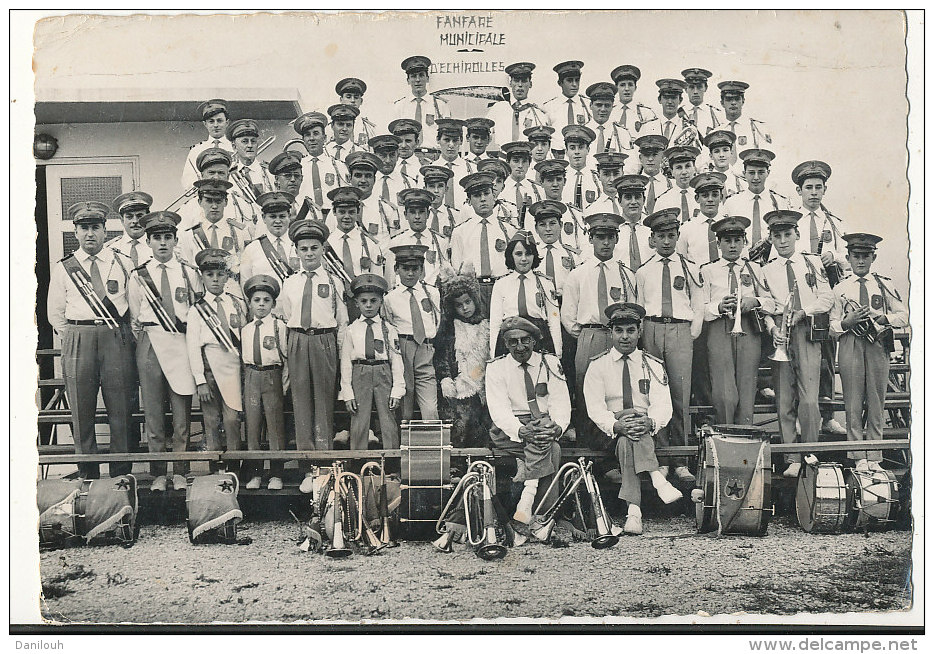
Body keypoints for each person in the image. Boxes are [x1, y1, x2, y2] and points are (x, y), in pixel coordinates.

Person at [47, 201, 136, 479]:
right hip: (79, 337)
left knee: (120, 408)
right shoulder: (64, 268)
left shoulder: (122, 262)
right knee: (82, 410)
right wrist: (78, 335)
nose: (90, 234)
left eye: (95, 228)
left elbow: (133, 306)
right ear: (75, 232)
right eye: (84, 228)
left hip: (114, 338)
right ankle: (88, 475)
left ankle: (121, 474)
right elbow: (55, 314)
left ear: (105, 230)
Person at [583, 302, 682, 535]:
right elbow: (595, 408)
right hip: (609, 432)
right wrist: (617, 424)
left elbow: (663, 406)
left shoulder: (653, 365)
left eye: (630, 330)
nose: (625, 337)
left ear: (640, 332)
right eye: (619, 331)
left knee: (630, 440)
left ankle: (633, 513)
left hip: (643, 431)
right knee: (627, 433)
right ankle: (658, 479)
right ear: (611, 333)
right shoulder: (598, 365)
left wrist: (649, 422)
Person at [127, 210, 199, 491]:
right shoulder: (138, 276)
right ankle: (158, 472)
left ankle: (180, 470)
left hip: (180, 342)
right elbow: (135, 316)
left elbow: (194, 311)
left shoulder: (188, 273)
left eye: (168, 237)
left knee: (181, 411)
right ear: (149, 242)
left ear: (175, 240)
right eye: (157, 237)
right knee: (154, 412)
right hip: (151, 341)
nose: (163, 243)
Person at [759, 210, 834, 478]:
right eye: (776, 236)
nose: (782, 241)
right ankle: (791, 456)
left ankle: (810, 453)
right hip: (781, 331)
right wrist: (771, 329)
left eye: (787, 234)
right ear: (771, 238)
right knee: (784, 400)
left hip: (807, 330)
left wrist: (806, 311)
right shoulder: (765, 270)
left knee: (809, 399)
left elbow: (827, 298)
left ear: (797, 235)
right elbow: (765, 305)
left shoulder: (812, 263)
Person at [635, 207, 705, 483]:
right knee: (655, 395)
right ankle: (661, 458)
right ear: (652, 239)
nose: (666, 241)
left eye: (671, 235)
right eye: (661, 236)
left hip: (679, 330)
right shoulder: (643, 271)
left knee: (679, 394)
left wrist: (692, 332)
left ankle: (681, 460)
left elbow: (698, 303)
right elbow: (640, 306)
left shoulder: (689, 267)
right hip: (652, 329)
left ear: (677, 237)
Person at [278, 219, 349, 492]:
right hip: (297, 340)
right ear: (296, 250)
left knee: (323, 404)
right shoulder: (290, 283)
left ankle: (324, 467)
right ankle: (307, 468)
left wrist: (339, 357)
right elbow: (285, 315)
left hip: (324, 341)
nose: (309, 253)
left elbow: (341, 321)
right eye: (304, 248)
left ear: (323, 249)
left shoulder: (333, 282)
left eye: (314, 248)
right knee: (301, 404)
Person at [830, 233, 908, 472]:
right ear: (848, 258)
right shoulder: (840, 288)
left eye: (865, 256)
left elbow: (904, 314)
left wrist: (885, 318)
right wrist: (847, 321)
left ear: (873, 257)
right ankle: (858, 457)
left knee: (876, 400)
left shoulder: (883, 284)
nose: (861, 261)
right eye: (856, 256)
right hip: (850, 344)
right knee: (853, 401)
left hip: (877, 345)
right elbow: (832, 326)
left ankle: (874, 456)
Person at [560, 213, 638, 446]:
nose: (605, 243)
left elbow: (633, 309)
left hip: (618, 337)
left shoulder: (626, 274)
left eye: (610, 237)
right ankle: (588, 452)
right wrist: (586, 335)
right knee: (586, 394)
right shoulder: (578, 274)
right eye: (600, 237)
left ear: (616, 240)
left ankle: (612, 452)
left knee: (615, 393)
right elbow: (568, 316)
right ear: (590, 239)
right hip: (590, 335)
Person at [485, 316, 569, 531]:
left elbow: (560, 400)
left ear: (533, 341)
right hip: (510, 430)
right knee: (551, 448)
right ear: (505, 343)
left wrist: (557, 427)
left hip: (543, 424)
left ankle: (529, 503)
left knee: (553, 444)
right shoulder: (497, 368)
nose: (520, 346)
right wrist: (522, 431)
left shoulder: (549, 363)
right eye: (513, 342)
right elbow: (499, 410)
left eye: (525, 340)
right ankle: (543, 517)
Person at [791, 160, 848, 436]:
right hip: (802, 291)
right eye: (808, 188)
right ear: (799, 191)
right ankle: (801, 414)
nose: (813, 193)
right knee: (798, 355)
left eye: (818, 188)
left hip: (826, 293)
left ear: (824, 190)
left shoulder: (833, 223)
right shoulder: (791, 221)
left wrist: (832, 256)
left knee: (826, 354)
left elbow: (846, 256)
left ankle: (827, 415)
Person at [700, 216, 775, 425]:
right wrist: (719, 306)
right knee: (724, 393)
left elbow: (771, 303)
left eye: (737, 240)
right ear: (718, 243)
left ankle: (745, 436)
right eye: (727, 241)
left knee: (746, 388)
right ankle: (726, 433)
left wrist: (754, 301)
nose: (732, 245)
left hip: (748, 329)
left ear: (744, 242)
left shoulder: (755, 269)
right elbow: (701, 309)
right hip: (719, 329)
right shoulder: (708, 270)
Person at [186, 247, 246, 475]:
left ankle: (233, 468)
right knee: (211, 421)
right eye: (210, 275)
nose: (215, 279)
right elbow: (193, 347)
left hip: (232, 368)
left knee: (232, 420)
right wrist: (200, 380)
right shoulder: (197, 310)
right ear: (202, 277)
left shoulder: (236, 304)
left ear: (227, 277)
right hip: (209, 369)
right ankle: (214, 469)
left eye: (220, 274)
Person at [339, 273, 405, 450]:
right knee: (359, 419)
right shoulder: (351, 330)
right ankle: (358, 463)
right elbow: (346, 364)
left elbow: (396, 361)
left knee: (388, 419)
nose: (368, 305)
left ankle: (391, 464)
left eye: (373, 300)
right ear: (356, 303)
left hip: (383, 372)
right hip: (360, 373)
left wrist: (397, 390)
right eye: (364, 301)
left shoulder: (389, 330)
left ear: (381, 302)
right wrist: (348, 394)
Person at [434, 265, 491, 448]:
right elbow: (442, 356)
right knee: (461, 424)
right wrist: (446, 378)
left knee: (482, 425)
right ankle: (458, 466)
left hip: (483, 381)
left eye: (468, 302)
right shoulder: (451, 328)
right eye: (459, 305)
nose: (465, 308)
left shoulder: (485, 325)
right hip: (461, 383)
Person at [240, 274, 288, 491]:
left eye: (266, 300)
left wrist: (284, 384)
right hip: (252, 376)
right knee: (253, 426)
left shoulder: (279, 327)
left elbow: (286, 358)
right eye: (256, 300)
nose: (261, 304)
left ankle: (276, 473)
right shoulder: (246, 329)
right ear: (250, 304)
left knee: (275, 425)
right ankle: (255, 473)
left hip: (272, 376)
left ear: (273, 304)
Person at [384, 243, 440, 422]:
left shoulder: (432, 293)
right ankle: (403, 444)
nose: (410, 273)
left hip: (425, 347)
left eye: (415, 268)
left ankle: (431, 445)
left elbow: (436, 321)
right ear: (396, 269)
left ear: (422, 269)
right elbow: (389, 327)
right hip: (403, 349)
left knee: (430, 407)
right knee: (405, 400)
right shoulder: (390, 298)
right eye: (405, 268)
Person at [489, 230, 562, 358]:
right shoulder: (501, 284)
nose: (523, 259)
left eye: (528, 254)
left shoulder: (545, 283)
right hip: (510, 338)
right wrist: (493, 353)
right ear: (511, 256)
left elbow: (553, 319)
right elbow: (495, 323)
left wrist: (557, 352)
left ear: (534, 256)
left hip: (538, 337)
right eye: (518, 254)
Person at [449, 172, 517, 308]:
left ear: (494, 195)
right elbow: (457, 269)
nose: (483, 199)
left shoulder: (509, 230)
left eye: (486, 193)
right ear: (469, 201)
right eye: (476, 195)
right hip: (473, 291)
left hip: (502, 288)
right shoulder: (460, 232)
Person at [326, 186, 385, 310]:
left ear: (358, 212)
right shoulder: (325, 245)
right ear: (334, 212)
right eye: (342, 212)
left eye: (351, 212)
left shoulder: (370, 245)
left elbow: (377, 280)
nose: (347, 217)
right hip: (334, 304)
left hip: (363, 306)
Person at [176, 179, 251, 272]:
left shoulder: (238, 232)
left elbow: (244, 269)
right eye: (209, 201)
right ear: (200, 202)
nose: (214, 206)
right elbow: (188, 269)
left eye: (218, 201)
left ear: (226, 202)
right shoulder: (190, 235)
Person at [722, 148, 790, 250]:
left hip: (772, 259)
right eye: (751, 173)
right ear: (744, 173)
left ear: (768, 173)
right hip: (742, 259)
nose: (756, 178)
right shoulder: (732, 203)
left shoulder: (780, 203)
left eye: (761, 172)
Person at [384, 187, 449, 287]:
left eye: (421, 212)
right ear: (405, 215)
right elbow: (390, 278)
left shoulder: (440, 242)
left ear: (428, 214)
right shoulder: (396, 243)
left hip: (433, 295)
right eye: (413, 212)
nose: (417, 216)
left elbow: (445, 274)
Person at [238, 191, 298, 296]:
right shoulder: (252, 249)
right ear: (263, 218)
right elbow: (245, 285)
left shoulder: (300, 245)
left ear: (289, 216)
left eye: (282, 216)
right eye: (273, 217)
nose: (278, 221)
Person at [295, 111, 346, 219]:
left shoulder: (337, 166)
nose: (312, 138)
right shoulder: (297, 167)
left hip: (332, 220)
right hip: (304, 220)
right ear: (303, 140)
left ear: (324, 138)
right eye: (307, 135)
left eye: (316, 133)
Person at [487, 62, 551, 148]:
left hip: (526, 159)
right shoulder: (498, 109)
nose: (520, 85)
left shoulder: (537, 114)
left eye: (524, 81)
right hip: (503, 159)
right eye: (516, 81)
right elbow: (485, 134)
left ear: (530, 84)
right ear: (510, 83)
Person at [392, 55, 450, 148]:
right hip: (409, 155)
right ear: (408, 80)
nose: (418, 80)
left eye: (421, 75)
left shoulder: (440, 105)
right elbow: (395, 136)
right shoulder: (400, 106)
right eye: (414, 76)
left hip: (433, 154)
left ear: (427, 79)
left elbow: (448, 134)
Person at [530, 199, 579, 299]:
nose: (548, 229)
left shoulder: (572, 255)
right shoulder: (530, 254)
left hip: (566, 304)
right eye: (542, 224)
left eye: (552, 223)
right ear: (536, 229)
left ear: (560, 225)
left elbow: (578, 284)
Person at [181, 99, 234, 191]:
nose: (216, 125)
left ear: (227, 122)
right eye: (211, 121)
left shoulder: (236, 148)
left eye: (219, 120)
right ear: (205, 124)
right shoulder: (196, 151)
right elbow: (187, 180)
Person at [536, 158, 586, 252]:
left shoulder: (574, 213)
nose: (555, 184)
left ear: (564, 182)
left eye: (559, 179)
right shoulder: (534, 213)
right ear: (541, 183)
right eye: (550, 180)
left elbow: (584, 246)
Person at [718, 80, 773, 162]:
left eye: (737, 99)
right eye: (729, 99)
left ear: (743, 101)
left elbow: (767, 159)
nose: (733, 103)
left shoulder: (757, 129)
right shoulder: (716, 132)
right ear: (722, 103)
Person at [611, 174, 653, 271]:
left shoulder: (652, 227)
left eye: (637, 197)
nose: (633, 202)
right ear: (620, 201)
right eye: (628, 197)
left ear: (644, 200)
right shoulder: (612, 229)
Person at [227, 118, 275, 201]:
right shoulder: (229, 175)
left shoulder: (269, 172)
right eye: (245, 141)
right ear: (234, 147)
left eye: (253, 141)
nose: (250, 145)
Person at [653, 145, 701, 223]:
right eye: (679, 167)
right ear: (672, 172)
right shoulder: (663, 201)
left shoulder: (703, 197)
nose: (684, 172)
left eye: (688, 166)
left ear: (694, 169)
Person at [609, 65, 658, 139]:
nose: (626, 89)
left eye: (630, 85)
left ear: (635, 88)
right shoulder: (610, 111)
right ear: (616, 88)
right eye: (622, 85)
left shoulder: (646, 113)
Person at [107, 191, 154, 269]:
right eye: (129, 217)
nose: (135, 221)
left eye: (140, 216)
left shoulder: (157, 247)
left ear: (147, 219)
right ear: (122, 220)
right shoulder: (111, 249)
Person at [626, 134, 671, 212]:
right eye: (646, 155)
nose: (650, 159)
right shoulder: (632, 185)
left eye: (654, 155)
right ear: (640, 158)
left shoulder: (671, 186)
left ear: (663, 157)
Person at [501, 141, 543, 224]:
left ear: (529, 163)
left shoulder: (537, 190)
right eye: (516, 161)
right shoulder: (500, 188)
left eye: (524, 161)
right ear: (508, 162)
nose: (520, 165)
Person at [542, 60, 592, 129]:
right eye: (569, 80)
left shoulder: (588, 105)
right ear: (560, 83)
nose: (574, 84)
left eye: (577, 80)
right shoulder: (549, 107)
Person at [434, 118, 471, 210]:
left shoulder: (471, 170)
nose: (451, 145)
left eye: (455, 140)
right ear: (438, 140)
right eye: (446, 140)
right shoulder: (430, 169)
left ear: (461, 141)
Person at [561, 124, 601, 210]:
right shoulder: (560, 178)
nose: (577, 152)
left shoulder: (597, 179)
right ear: (566, 151)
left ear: (588, 150)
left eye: (581, 147)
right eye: (572, 148)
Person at [584, 81, 627, 155]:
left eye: (607, 105)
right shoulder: (582, 132)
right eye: (599, 105)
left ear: (612, 106)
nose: (603, 109)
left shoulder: (622, 133)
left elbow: (631, 162)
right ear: (590, 105)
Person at [335, 77, 378, 150]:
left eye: (356, 97)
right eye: (348, 97)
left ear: (361, 101)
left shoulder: (369, 128)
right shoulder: (331, 127)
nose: (352, 100)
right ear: (341, 100)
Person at [420, 164, 461, 238]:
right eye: (432, 186)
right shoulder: (419, 215)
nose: (436, 191)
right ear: (425, 189)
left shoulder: (455, 216)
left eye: (440, 186)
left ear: (446, 189)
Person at [700, 129, 743, 198]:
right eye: (716, 151)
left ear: (731, 152)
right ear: (711, 156)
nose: (721, 155)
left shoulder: (741, 181)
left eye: (725, 150)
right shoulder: (704, 181)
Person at [681, 68, 723, 137]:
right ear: (686, 89)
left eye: (699, 87)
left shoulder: (716, 114)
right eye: (691, 87)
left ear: (706, 88)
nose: (695, 92)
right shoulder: (679, 113)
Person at [370, 134, 407, 207]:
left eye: (392, 155)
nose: (388, 160)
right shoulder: (367, 182)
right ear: (374, 157)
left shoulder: (407, 183)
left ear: (398, 156)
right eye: (383, 155)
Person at [648, 78, 688, 143]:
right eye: (666, 97)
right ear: (659, 100)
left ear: (680, 100)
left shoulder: (687, 128)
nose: (669, 102)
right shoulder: (649, 126)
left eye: (674, 98)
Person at [389, 118, 424, 189]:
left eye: (408, 141)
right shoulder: (388, 166)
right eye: (400, 141)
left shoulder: (423, 166)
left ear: (417, 142)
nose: (403, 145)